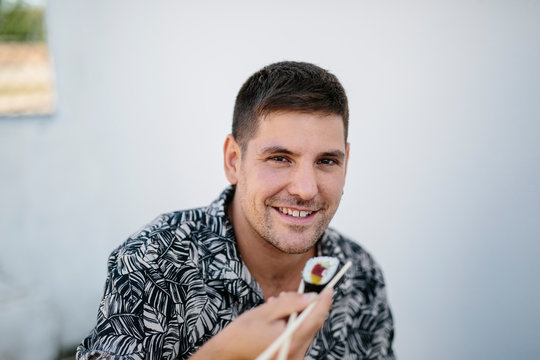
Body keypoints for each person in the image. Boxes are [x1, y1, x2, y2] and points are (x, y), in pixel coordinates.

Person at [77, 61, 395, 359]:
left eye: (327, 161)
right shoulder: (153, 261)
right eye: (280, 158)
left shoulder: (360, 274)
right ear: (233, 161)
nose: (305, 189)